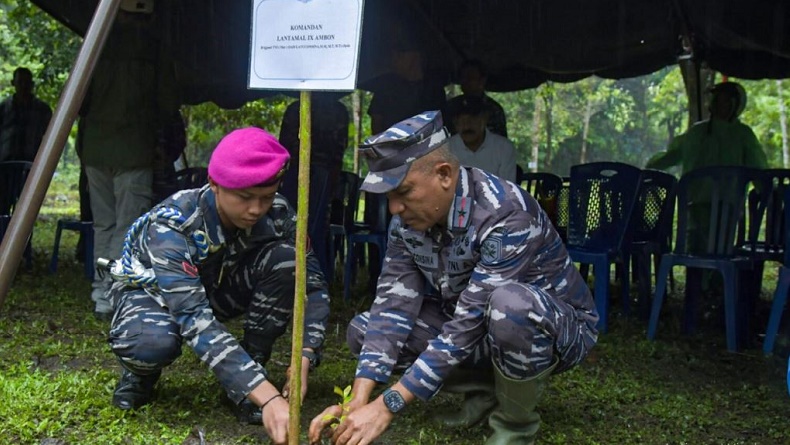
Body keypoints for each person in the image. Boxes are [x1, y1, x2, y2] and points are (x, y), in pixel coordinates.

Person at [309, 111, 598, 445]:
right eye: (388, 197)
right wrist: (357, 399)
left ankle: (514, 427)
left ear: (444, 174)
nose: (394, 209)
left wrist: (388, 404)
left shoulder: (505, 214)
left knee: (510, 306)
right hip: (479, 326)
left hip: (553, 331)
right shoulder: (407, 223)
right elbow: (392, 306)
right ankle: (486, 392)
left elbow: (469, 321)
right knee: (366, 328)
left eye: (403, 192)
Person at [105, 127, 330, 445]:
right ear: (214, 185)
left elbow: (314, 286)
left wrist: (305, 355)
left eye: (265, 197)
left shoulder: (278, 213)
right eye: (244, 198)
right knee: (151, 343)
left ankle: (247, 376)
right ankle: (140, 376)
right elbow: (193, 317)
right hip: (155, 298)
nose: (256, 209)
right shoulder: (173, 223)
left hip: (214, 291)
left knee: (287, 261)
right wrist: (269, 398)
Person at [79, 2, 179, 319]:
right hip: (133, 150)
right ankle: (114, 294)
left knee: (103, 224)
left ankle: (100, 293)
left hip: (95, 149)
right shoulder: (154, 48)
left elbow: (80, 100)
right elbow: (168, 104)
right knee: (127, 226)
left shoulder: (96, 42)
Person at [646, 81, 768, 253]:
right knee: (722, 254)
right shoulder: (743, 134)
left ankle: (696, 276)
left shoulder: (695, 133)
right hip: (728, 212)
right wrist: (768, 193)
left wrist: (645, 171)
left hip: (694, 210)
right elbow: (761, 174)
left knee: (695, 252)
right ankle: (719, 276)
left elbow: (662, 161)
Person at [367, 44, 446, 134]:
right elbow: (376, 124)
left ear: (415, 55)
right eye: (393, 55)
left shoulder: (434, 89)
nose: (395, 59)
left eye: (400, 54)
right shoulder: (385, 88)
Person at [448, 95, 518, 182]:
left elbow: (508, 190)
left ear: (484, 119)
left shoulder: (503, 148)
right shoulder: (446, 149)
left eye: (472, 119)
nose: (466, 126)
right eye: (461, 121)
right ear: (455, 124)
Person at [0, 67, 52, 162]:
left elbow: (50, 137)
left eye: (27, 82)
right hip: (5, 163)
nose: (24, 86)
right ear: (13, 83)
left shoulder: (43, 110)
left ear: (32, 84)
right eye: (20, 82)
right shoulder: (3, 108)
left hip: (33, 163)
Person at [445, 59, 507, 138]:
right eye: (463, 77)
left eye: (471, 77)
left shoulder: (493, 109)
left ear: (482, 80)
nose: (466, 81)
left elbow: (500, 141)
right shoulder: (451, 106)